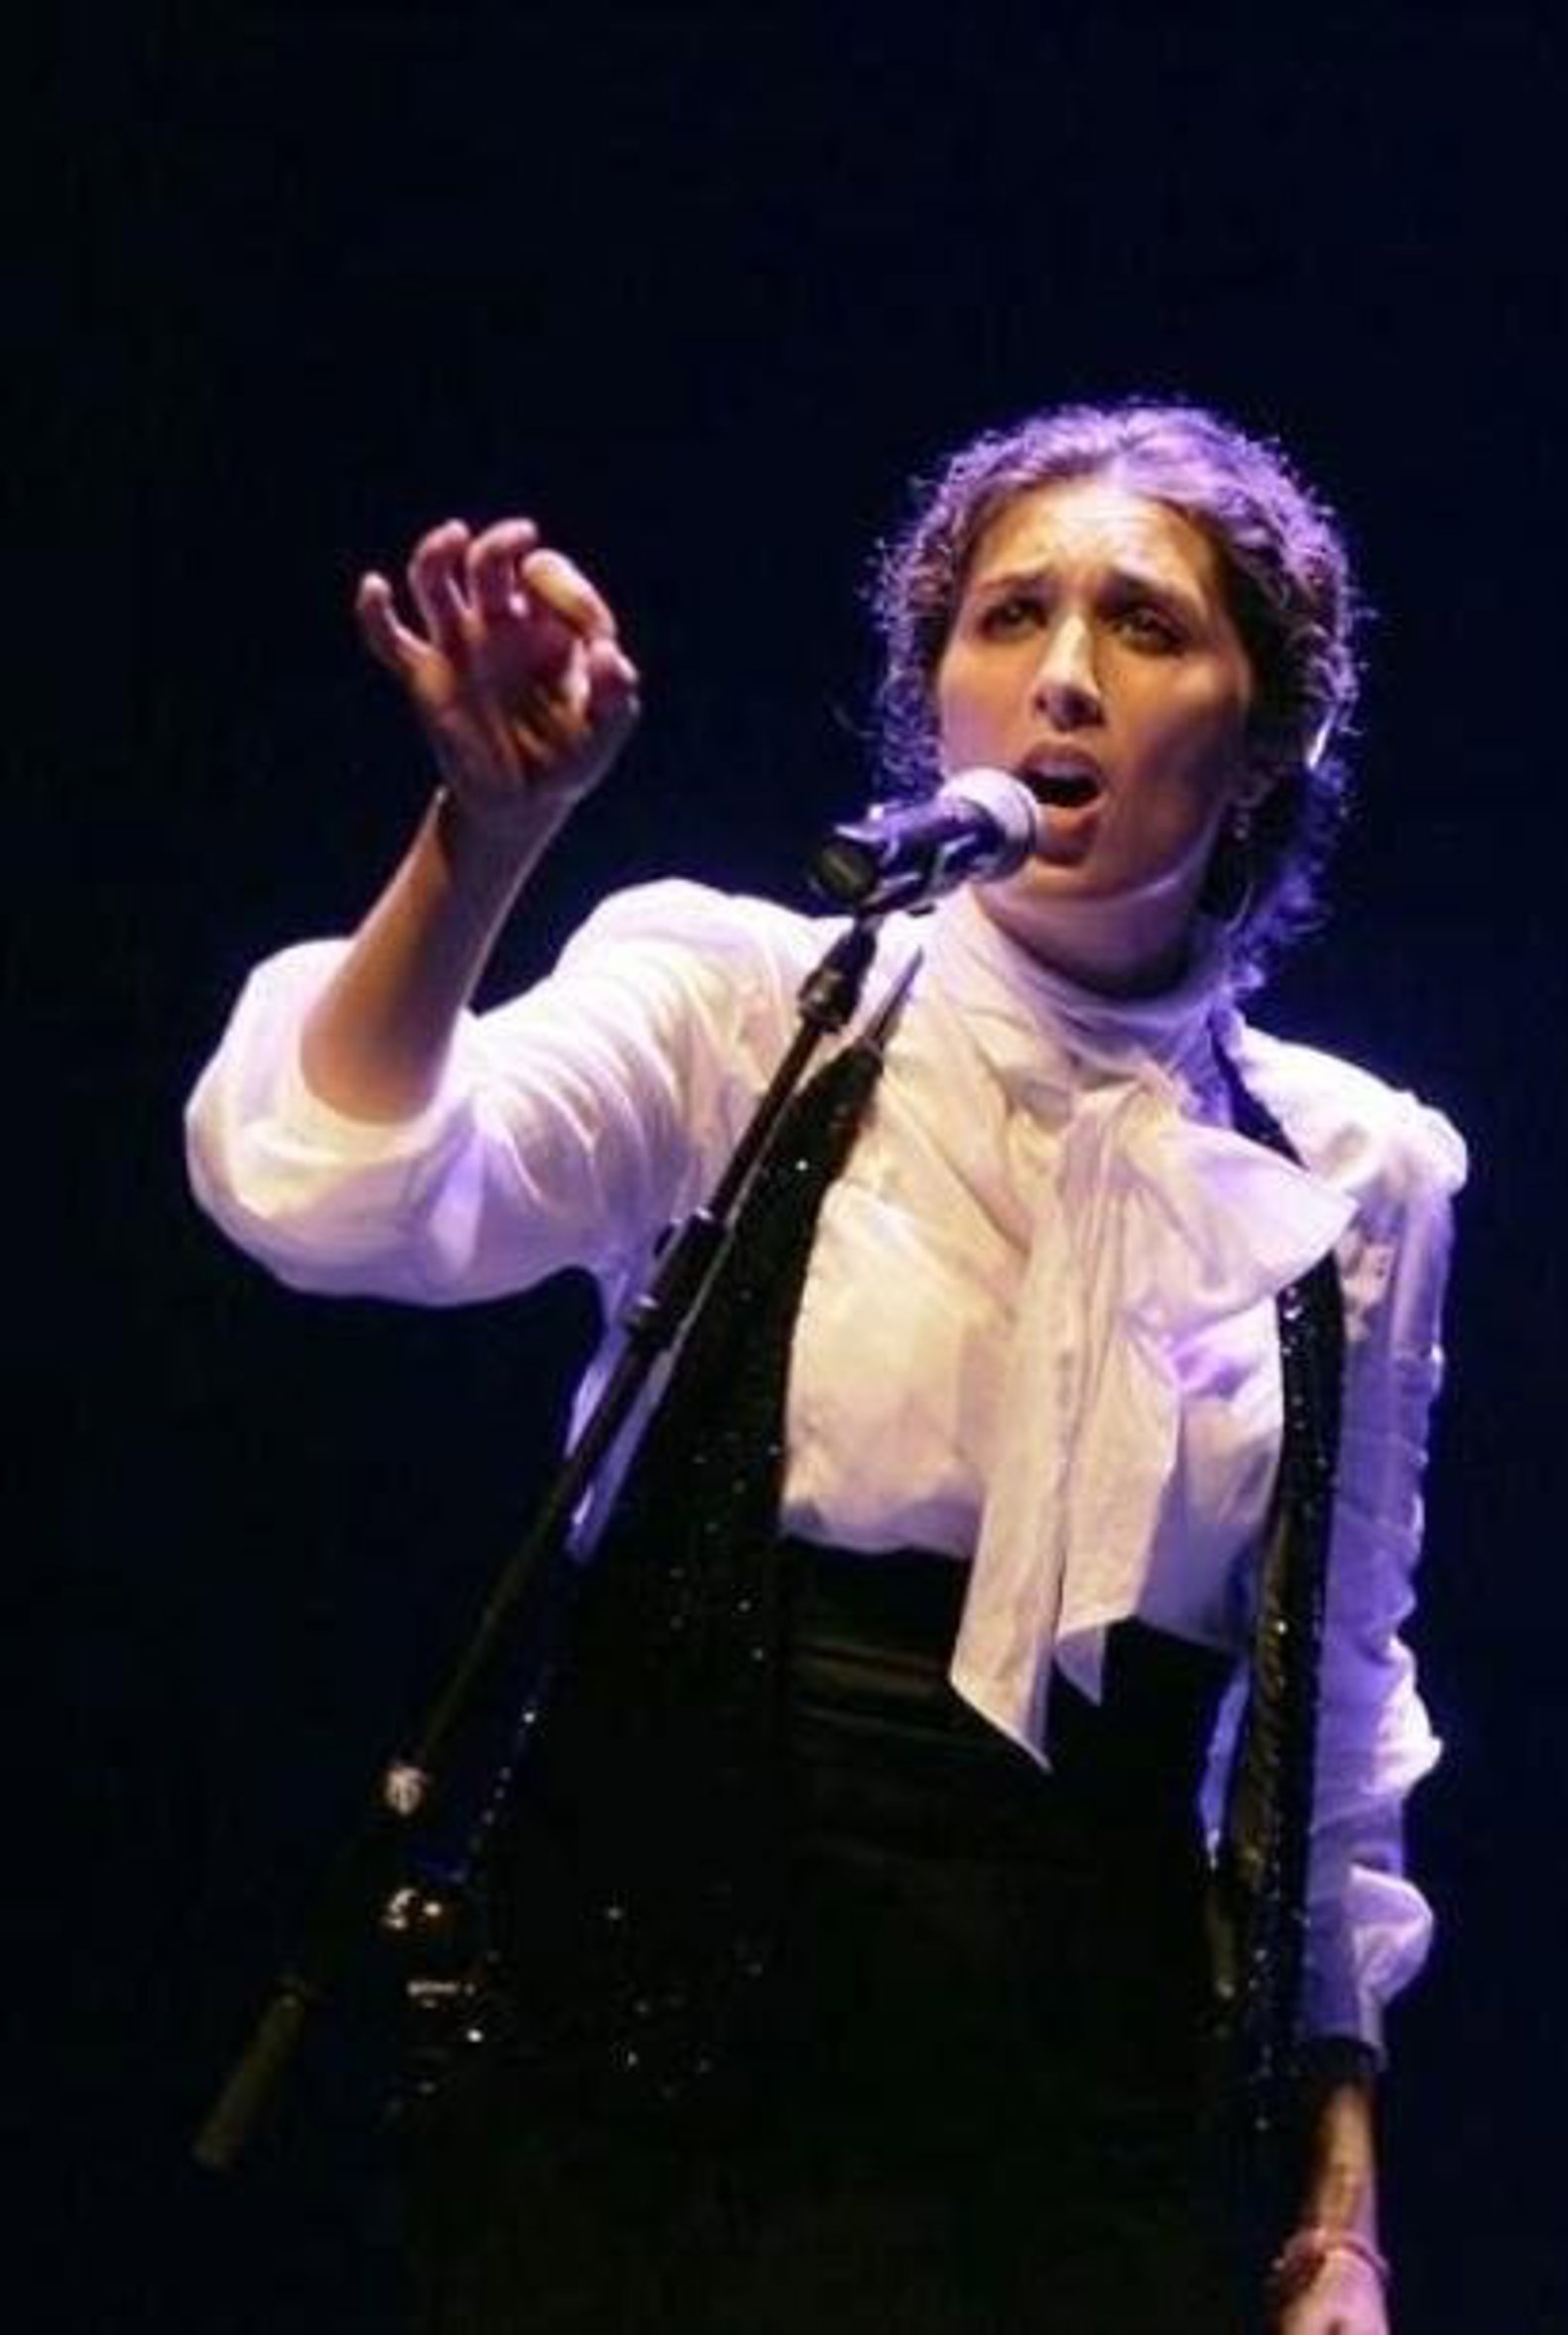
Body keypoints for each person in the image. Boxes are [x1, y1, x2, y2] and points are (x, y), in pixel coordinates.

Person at [186, 401, 1465, 2334]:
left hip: (1079, 2111)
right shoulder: (749, 1002)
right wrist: (485, 841)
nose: (1062, 674)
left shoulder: (1356, 1174)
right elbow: (345, 1191)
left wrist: (1339, 2210)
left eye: (1143, 626)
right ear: (935, 691)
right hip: (658, 2068)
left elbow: (1337, 1711)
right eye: (1008, 615)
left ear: (1270, 726)